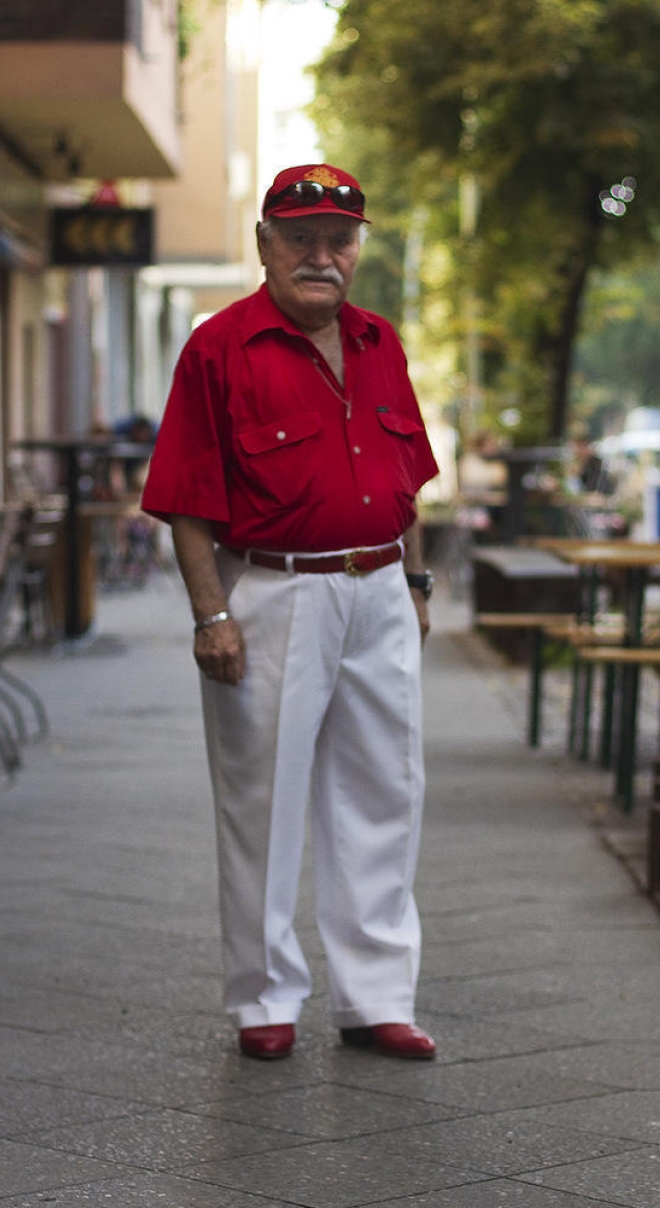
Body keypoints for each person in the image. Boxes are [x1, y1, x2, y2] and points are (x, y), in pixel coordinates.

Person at [141, 164, 439, 1062]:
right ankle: (265, 997)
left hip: (380, 589)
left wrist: (416, 588)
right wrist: (209, 616)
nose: (322, 256)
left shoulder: (380, 339)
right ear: (264, 243)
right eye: (301, 238)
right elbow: (187, 499)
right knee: (261, 798)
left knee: (385, 792)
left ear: (357, 247)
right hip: (274, 591)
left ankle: (375, 996)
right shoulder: (218, 348)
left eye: (338, 239)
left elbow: (407, 480)